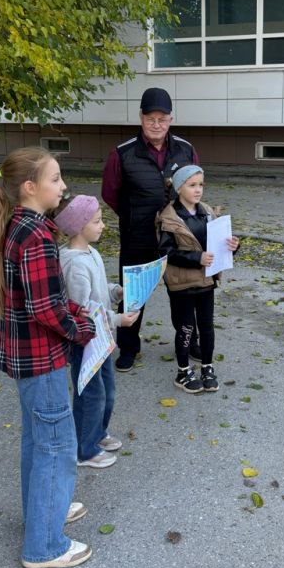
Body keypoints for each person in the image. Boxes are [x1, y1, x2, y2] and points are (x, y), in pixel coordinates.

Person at [0, 147, 98, 568]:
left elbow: (47, 297)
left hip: (26, 357)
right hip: (41, 360)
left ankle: (45, 511)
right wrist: (82, 330)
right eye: (55, 179)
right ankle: (44, 546)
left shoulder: (19, 226)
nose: (63, 186)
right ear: (30, 187)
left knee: (38, 439)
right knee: (56, 446)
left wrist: (76, 311)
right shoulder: (36, 237)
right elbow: (46, 309)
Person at [101, 87, 200, 372]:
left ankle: (189, 341)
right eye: (150, 118)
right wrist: (134, 216)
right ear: (141, 118)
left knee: (184, 292)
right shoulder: (122, 153)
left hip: (177, 237)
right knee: (133, 294)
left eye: (162, 119)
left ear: (171, 119)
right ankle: (129, 347)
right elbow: (110, 193)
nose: (156, 124)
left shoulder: (185, 149)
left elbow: (194, 186)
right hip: (138, 237)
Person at [54, 195, 140, 468]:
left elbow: (98, 293)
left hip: (101, 339)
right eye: (97, 221)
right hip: (86, 342)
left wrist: (116, 291)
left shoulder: (91, 253)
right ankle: (85, 450)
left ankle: (97, 434)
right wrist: (118, 320)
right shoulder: (74, 264)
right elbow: (82, 312)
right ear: (79, 226)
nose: (103, 225)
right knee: (91, 395)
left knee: (106, 391)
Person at [156, 164, 239, 393]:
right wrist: (196, 258)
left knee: (206, 326)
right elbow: (166, 253)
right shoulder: (168, 218)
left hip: (206, 281)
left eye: (201, 184)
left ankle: (207, 367)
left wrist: (233, 246)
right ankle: (183, 371)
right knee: (186, 328)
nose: (198, 189)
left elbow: (218, 245)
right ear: (179, 188)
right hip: (181, 283)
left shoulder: (208, 212)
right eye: (192, 185)